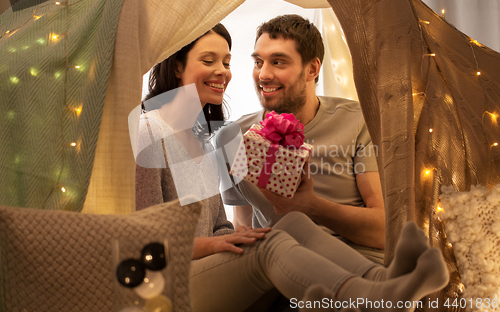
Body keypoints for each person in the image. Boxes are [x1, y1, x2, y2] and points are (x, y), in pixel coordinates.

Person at [134, 23, 449, 312]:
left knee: (292, 225)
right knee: (273, 245)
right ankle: (370, 299)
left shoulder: (201, 138)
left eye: (227, 62)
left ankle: (383, 282)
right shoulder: (148, 132)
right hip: (166, 282)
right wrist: (216, 243)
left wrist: (235, 235)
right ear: (176, 67)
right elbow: (142, 242)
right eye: (208, 61)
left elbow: (219, 225)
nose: (222, 71)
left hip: (206, 267)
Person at [220, 14, 385, 262]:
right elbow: (243, 226)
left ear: (312, 68)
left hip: (356, 262)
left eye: (278, 62)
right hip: (279, 264)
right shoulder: (233, 137)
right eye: (258, 62)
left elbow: (383, 232)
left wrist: (311, 206)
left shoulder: (359, 121)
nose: (263, 75)